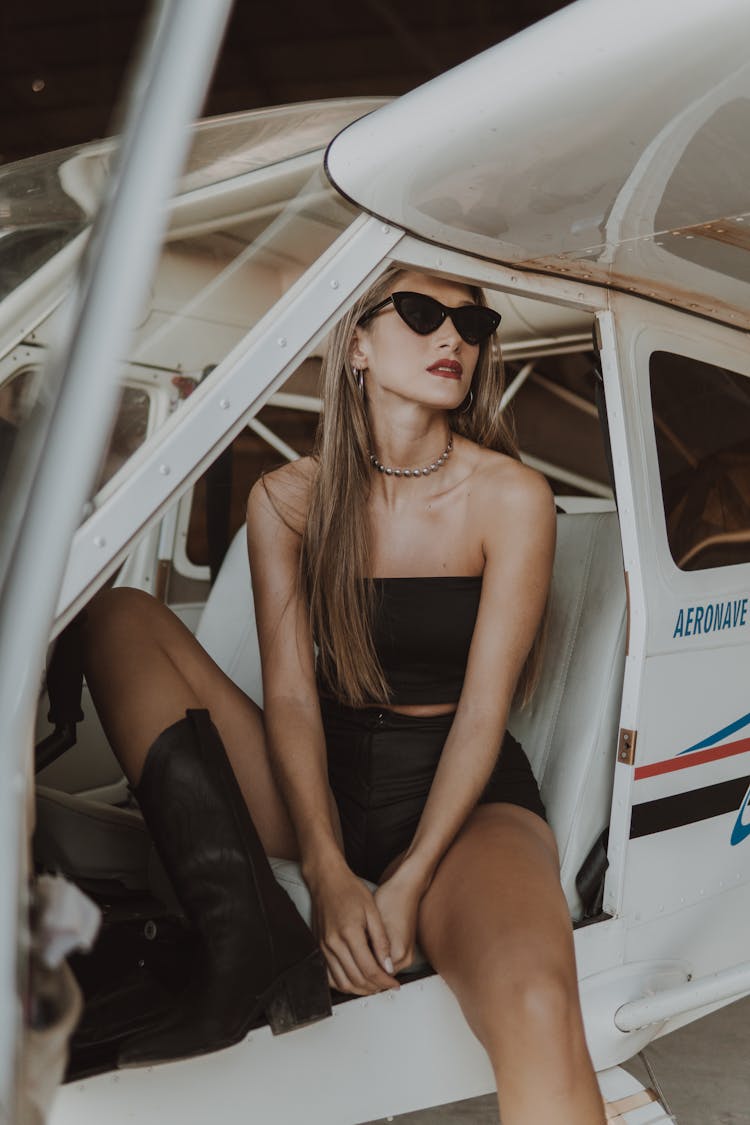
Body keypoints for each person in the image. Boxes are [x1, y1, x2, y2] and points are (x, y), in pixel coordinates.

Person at [82, 267, 605, 1123]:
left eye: (471, 323)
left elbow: (483, 708)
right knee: (120, 619)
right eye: (424, 313)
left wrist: (407, 879)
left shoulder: (511, 496)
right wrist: (326, 871)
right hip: (316, 780)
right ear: (356, 343)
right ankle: (245, 945)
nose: (454, 339)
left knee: (539, 1002)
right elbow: (288, 698)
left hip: (459, 794)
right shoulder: (287, 500)